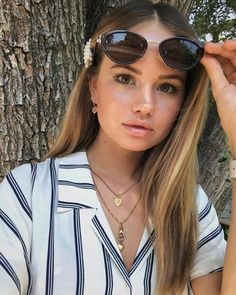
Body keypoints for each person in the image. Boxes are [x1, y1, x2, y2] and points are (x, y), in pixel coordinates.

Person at [0, 0, 235, 294]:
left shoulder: (192, 208)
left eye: (167, 87)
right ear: (93, 87)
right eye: (125, 78)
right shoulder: (27, 195)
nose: (145, 105)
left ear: (183, 103)